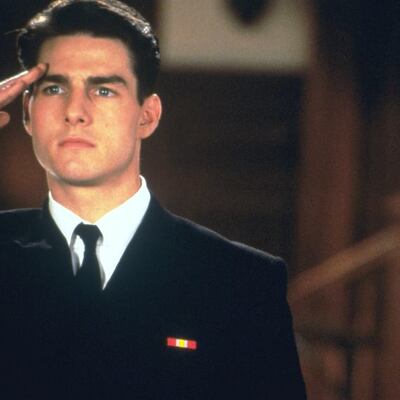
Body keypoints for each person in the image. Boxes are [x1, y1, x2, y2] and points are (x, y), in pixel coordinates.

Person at [0, 0, 306, 398]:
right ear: (28, 112)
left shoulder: (241, 282)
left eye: (103, 90)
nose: (75, 111)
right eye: (54, 88)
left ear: (147, 115)